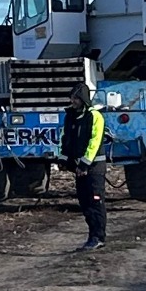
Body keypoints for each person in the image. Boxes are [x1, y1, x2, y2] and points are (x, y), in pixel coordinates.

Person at [61, 79, 107, 251]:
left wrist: (85, 164)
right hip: (80, 168)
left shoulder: (95, 117)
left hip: (94, 168)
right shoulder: (70, 117)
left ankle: (98, 237)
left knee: (96, 202)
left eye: (76, 98)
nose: (73, 101)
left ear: (83, 99)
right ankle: (92, 236)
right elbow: (65, 139)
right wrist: (63, 159)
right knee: (85, 203)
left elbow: (94, 143)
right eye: (71, 98)